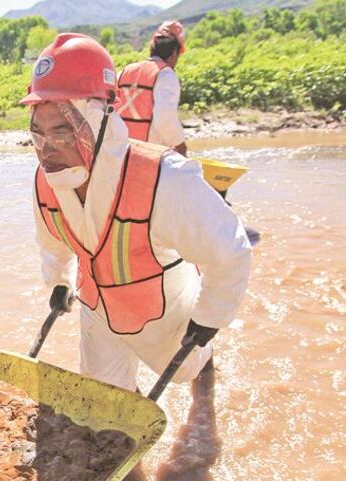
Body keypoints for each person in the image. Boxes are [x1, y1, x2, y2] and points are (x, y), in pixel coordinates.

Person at [22, 34, 251, 392]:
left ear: (96, 121)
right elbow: (52, 242)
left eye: (63, 132)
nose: (47, 150)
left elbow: (231, 252)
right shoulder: (43, 182)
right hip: (99, 309)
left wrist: (210, 317)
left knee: (190, 371)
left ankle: (205, 389)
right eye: (38, 134)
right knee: (105, 407)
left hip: (164, 310)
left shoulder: (165, 178)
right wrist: (60, 282)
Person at [115, 20, 188, 155]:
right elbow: (164, 118)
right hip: (149, 157)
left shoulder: (124, 71)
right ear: (174, 54)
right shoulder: (166, 75)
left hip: (120, 154)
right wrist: (180, 145)